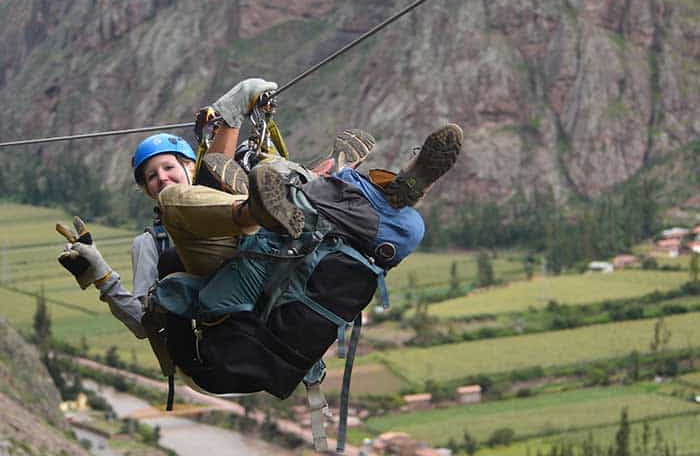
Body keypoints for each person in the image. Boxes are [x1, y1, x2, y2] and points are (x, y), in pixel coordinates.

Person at [56, 78, 463, 399]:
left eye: (167, 168)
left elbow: (215, 166)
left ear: (185, 163)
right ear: (146, 189)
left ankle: (394, 192)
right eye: (151, 177)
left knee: (389, 232)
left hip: (264, 284)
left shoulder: (209, 182)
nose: (160, 179)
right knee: (182, 202)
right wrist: (103, 278)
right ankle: (283, 196)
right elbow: (146, 323)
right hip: (218, 328)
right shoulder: (149, 243)